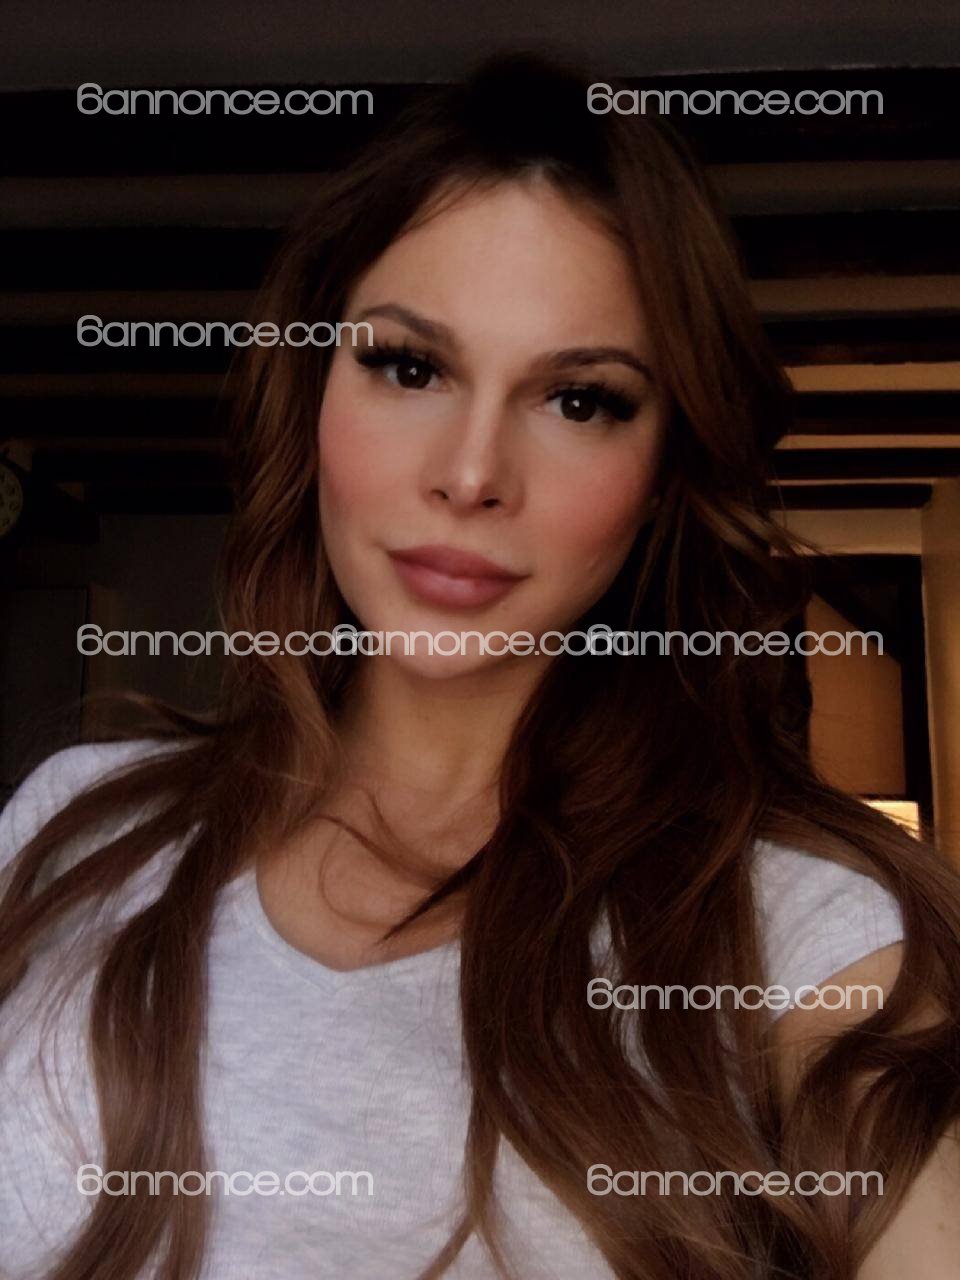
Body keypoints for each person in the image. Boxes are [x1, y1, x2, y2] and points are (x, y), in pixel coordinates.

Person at [1, 54, 959, 1280]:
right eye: (410, 367)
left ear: (667, 469)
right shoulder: (75, 823)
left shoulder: (802, 936)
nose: (470, 473)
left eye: (581, 399)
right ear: (312, 387)